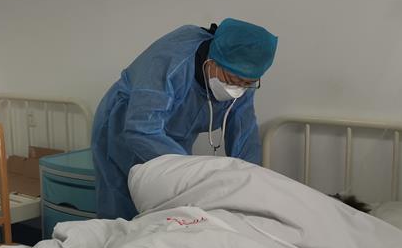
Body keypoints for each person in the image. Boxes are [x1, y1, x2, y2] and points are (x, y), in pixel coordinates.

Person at [91, 19, 278, 220]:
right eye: (233, 80)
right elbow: (141, 129)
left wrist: (249, 181)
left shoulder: (242, 80)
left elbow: (245, 134)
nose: (238, 88)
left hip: (172, 141)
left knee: (171, 208)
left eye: (248, 82)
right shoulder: (172, 61)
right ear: (212, 61)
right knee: (123, 209)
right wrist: (193, 172)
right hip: (124, 129)